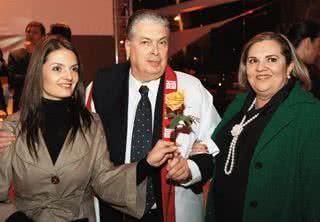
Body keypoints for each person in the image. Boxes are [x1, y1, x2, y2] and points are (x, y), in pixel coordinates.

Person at [0, 36, 177, 222]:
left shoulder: (91, 124)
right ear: (38, 72)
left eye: (74, 69)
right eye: (57, 68)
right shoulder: (13, 128)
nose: (69, 76)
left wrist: (146, 164)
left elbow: (104, 181)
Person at [87, 9, 221, 222]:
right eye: (146, 42)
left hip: (171, 208)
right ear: (128, 48)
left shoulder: (190, 89)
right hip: (115, 208)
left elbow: (215, 147)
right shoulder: (101, 89)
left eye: (162, 42)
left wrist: (190, 169)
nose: (156, 52)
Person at [205, 32, 320, 222]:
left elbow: (314, 196)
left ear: (289, 66)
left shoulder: (309, 114)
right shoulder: (238, 104)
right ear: (245, 68)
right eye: (252, 61)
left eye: (272, 59)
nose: (261, 68)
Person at [7, 21, 46, 112]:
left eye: (35, 32)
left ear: (43, 37)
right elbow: (12, 78)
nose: (30, 35)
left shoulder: (47, 55)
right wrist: (35, 77)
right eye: (28, 32)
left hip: (42, 100)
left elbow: (46, 76)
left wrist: (34, 53)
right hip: (21, 100)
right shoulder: (15, 54)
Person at [286, 20, 320, 98]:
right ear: (307, 43)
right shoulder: (305, 76)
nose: (319, 53)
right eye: (319, 45)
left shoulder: (283, 66)